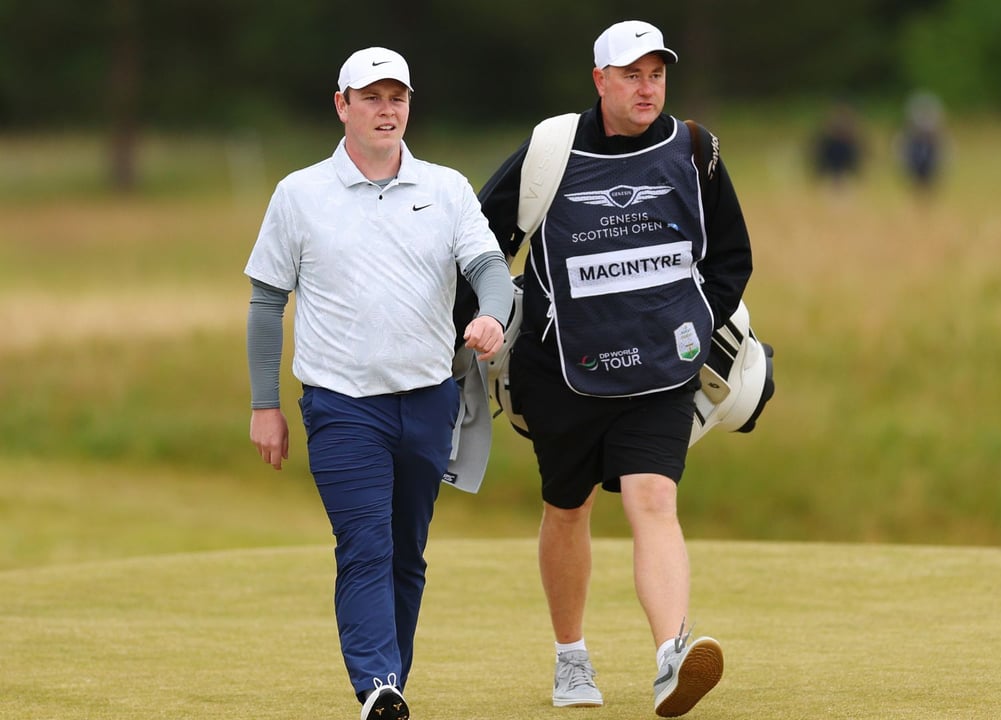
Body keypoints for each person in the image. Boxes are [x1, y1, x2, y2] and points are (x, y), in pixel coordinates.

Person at [477, 19, 752, 718]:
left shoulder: (696, 149)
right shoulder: (551, 150)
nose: (646, 87)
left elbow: (728, 259)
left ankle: (671, 656)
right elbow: (482, 242)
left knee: (654, 498)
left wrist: (693, 321)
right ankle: (572, 657)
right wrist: (478, 317)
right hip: (559, 370)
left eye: (656, 73)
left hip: (661, 371)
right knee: (567, 510)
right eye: (630, 75)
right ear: (600, 81)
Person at [243, 47, 512, 720]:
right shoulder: (299, 195)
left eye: (397, 97)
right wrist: (264, 405)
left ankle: (389, 689)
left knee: (406, 553)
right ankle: (378, 684)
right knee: (365, 544)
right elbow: (266, 302)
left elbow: (491, 271)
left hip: (428, 399)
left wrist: (489, 314)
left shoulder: (445, 188)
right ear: (342, 106)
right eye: (371, 97)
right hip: (341, 405)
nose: (386, 109)